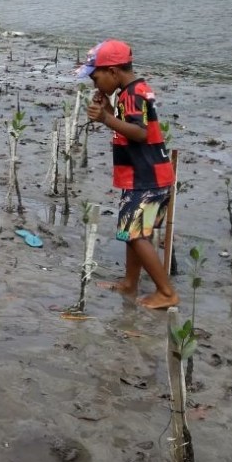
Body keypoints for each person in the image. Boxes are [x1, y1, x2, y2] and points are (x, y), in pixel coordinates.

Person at [81, 39, 178, 310]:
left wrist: (105, 119)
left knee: (134, 234)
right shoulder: (131, 92)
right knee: (136, 233)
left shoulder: (133, 94)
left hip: (144, 179)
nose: (94, 84)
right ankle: (130, 282)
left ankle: (167, 292)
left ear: (113, 72)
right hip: (151, 176)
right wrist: (109, 110)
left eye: (96, 78)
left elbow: (140, 133)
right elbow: (129, 125)